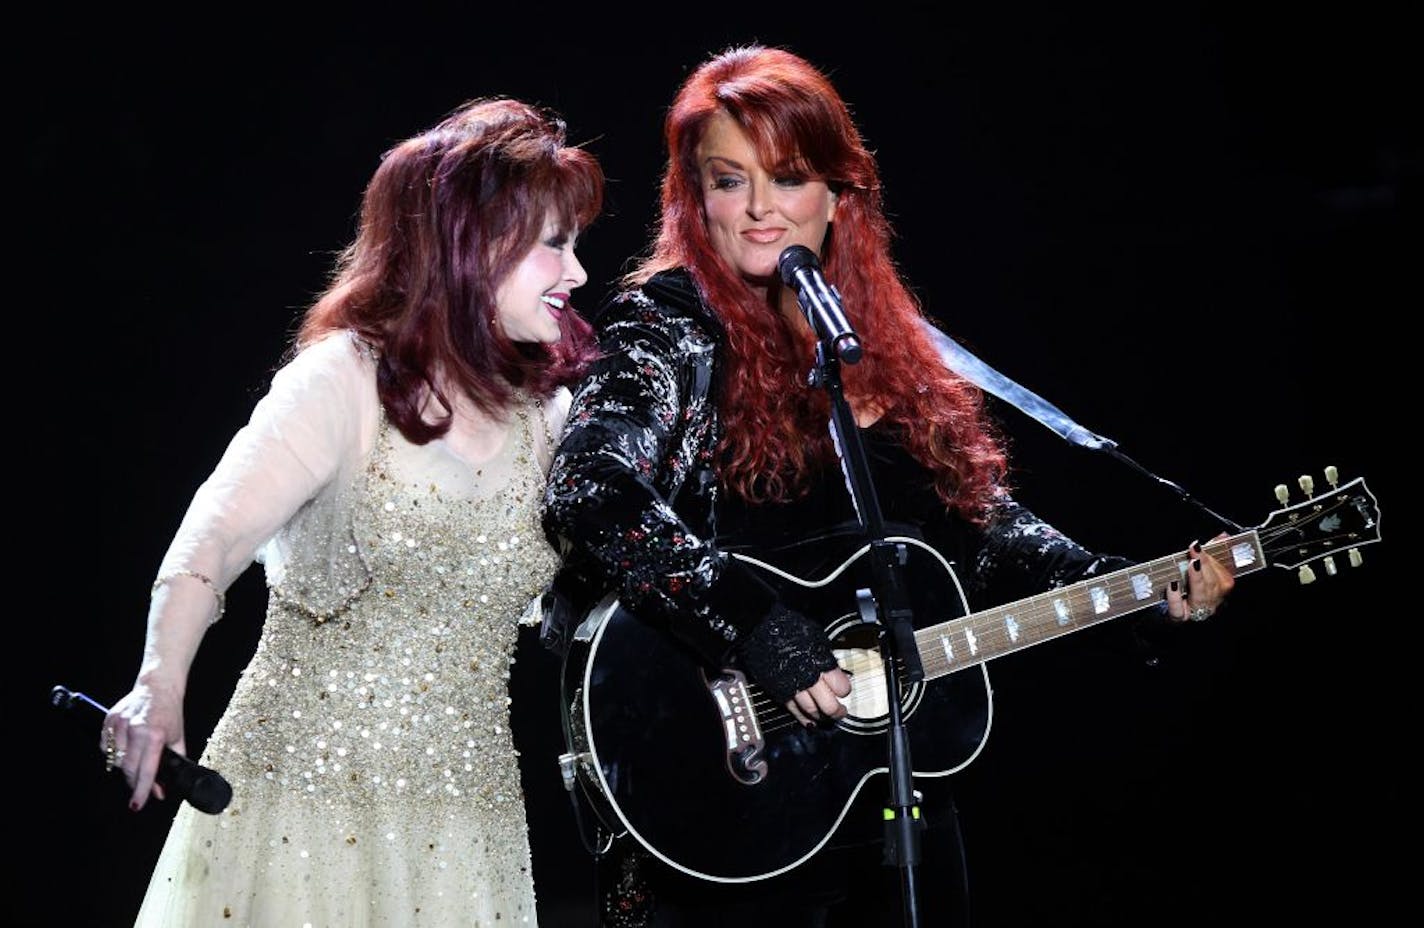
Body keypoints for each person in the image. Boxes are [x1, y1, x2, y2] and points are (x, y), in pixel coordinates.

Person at [539, 45, 1236, 927]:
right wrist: (757, 629)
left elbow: (984, 526)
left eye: (787, 177)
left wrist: (1138, 589)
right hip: (723, 786)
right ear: (693, 197)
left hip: (887, 772)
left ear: (838, 192)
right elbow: (590, 487)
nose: (758, 209)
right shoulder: (670, 326)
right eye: (727, 180)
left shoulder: (878, 340)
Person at [102, 96, 603, 926]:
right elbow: (212, 539)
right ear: (471, 242)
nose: (577, 272)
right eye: (554, 243)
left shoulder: (549, 423)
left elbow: (586, 613)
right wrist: (160, 682)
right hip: (302, 810)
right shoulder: (343, 379)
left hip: (465, 830)